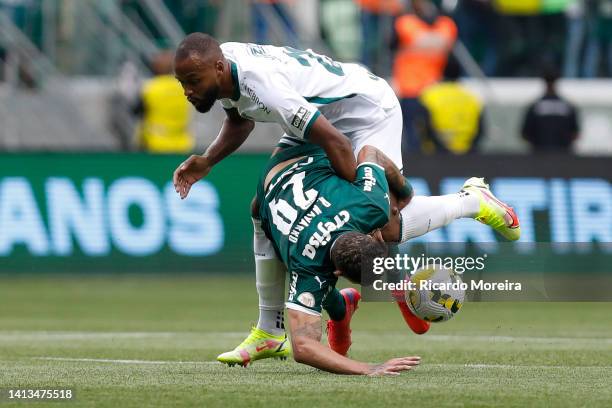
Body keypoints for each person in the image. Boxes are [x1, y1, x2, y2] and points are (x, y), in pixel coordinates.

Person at [171, 33, 520, 367]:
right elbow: (240, 116)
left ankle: (471, 200)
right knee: (261, 206)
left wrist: (360, 208)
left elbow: (337, 143)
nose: (188, 90)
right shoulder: (225, 65)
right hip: (323, 118)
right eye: (183, 82)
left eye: (193, 81)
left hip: (367, 113)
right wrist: (208, 159)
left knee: (386, 221)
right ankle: (270, 329)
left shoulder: (266, 86)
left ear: (217, 68)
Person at [249, 143, 518, 374]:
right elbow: (304, 349)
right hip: (292, 159)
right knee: (387, 226)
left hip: (298, 160)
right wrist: (369, 368)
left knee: (385, 221)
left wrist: (405, 191)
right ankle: (469, 202)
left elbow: (369, 151)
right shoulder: (311, 262)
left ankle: (470, 201)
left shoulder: (364, 208)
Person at [392, 0, 457, 152]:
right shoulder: (447, 26)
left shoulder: (404, 23)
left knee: (421, 139)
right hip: (424, 90)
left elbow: (392, 45)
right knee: (424, 139)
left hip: (423, 92)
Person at [419, 57, 484, 154]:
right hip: (467, 155)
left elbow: (424, 127)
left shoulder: (429, 95)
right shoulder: (472, 98)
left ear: (441, 72)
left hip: (435, 156)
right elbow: (480, 130)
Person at [133, 51, 195, 153]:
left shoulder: (150, 87)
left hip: (155, 144)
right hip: (182, 144)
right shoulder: (185, 87)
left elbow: (136, 111)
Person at [521, 65, 580, 152]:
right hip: (563, 156)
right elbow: (575, 134)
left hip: (539, 156)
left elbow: (525, 134)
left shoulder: (535, 107)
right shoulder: (568, 107)